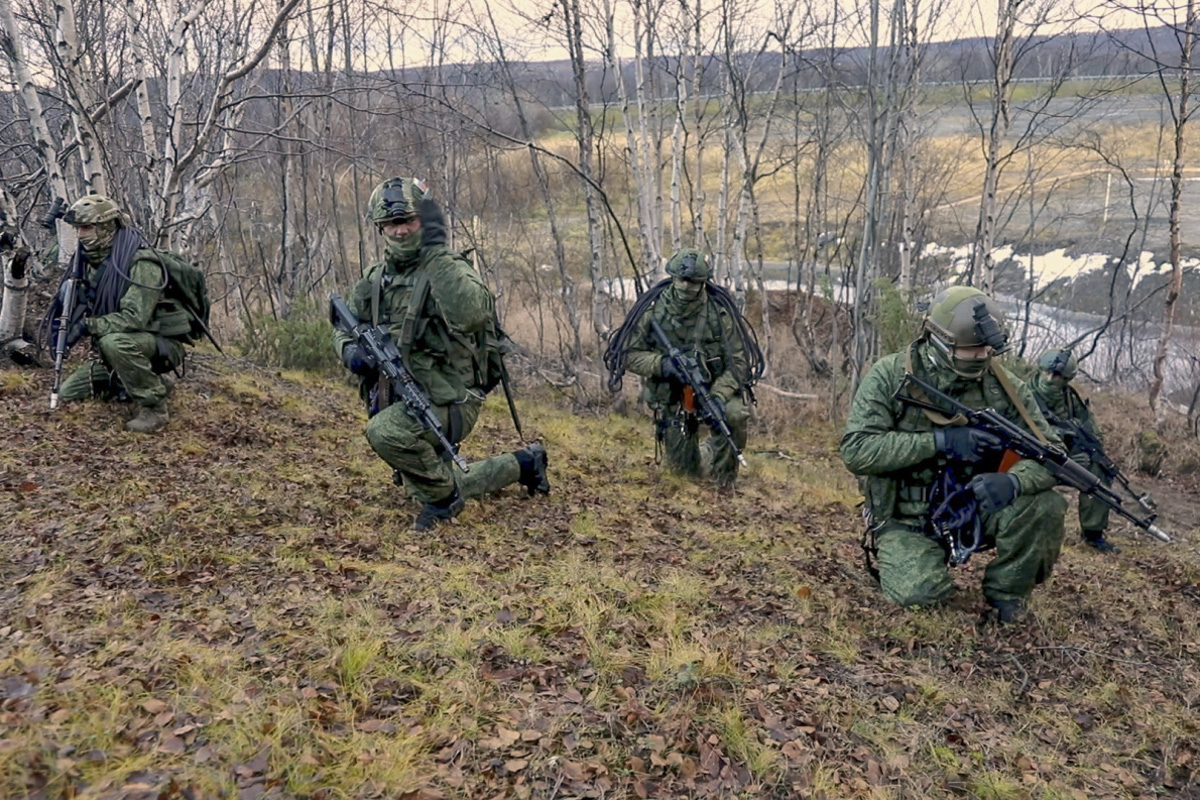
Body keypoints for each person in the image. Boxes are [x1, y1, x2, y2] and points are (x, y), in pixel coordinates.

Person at [333, 176, 549, 532]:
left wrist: (435, 255)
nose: (400, 231)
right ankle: (525, 463)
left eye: (409, 220)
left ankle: (444, 502)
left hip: (452, 400)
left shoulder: (450, 269)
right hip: (405, 397)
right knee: (433, 478)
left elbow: (472, 315)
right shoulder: (375, 279)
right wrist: (349, 351)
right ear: (380, 228)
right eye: (391, 224)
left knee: (386, 435)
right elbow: (343, 325)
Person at [841, 286, 1068, 623]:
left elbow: (1053, 455)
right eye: (970, 350)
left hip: (974, 508)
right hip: (907, 518)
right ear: (939, 340)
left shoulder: (1006, 388)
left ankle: (1008, 595)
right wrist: (939, 442)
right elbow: (856, 450)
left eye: (987, 349)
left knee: (1046, 505)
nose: (981, 357)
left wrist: (1013, 483)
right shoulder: (890, 375)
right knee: (920, 594)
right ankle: (916, 561)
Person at [604, 248, 762, 488]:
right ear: (673, 278)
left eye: (694, 282)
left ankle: (724, 481)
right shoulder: (652, 311)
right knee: (685, 474)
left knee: (733, 414)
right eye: (683, 280)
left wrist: (718, 396)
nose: (687, 286)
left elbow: (740, 363)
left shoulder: (720, 314)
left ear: (703, 283)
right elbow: (626, 355)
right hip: (674, 398)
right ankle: (705, 452)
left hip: (713, 387)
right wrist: (662, 364)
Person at [47, 194, 193, 433]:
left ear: (106, 226)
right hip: (120, 345)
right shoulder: (88, 262)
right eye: (77, 229)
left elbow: (134, 318)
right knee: (68, 392)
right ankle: (143, 381)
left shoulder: (141, 263)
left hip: (158, 343)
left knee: (114, 343)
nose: (80, 235)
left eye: (86, 227)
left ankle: (154, 406)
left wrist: (88, 325)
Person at [1031, 348, 1117, 553]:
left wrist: (1084, 450)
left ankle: (1093, 533)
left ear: (1067, 379)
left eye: (1058, 376)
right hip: (1030, 460)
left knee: (1100, 468)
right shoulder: (1022, 393)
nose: (1051, 379)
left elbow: (1093, 431)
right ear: (1040, 369)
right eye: (1047, 372)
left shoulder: (1070, 399)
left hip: (1062, 461)